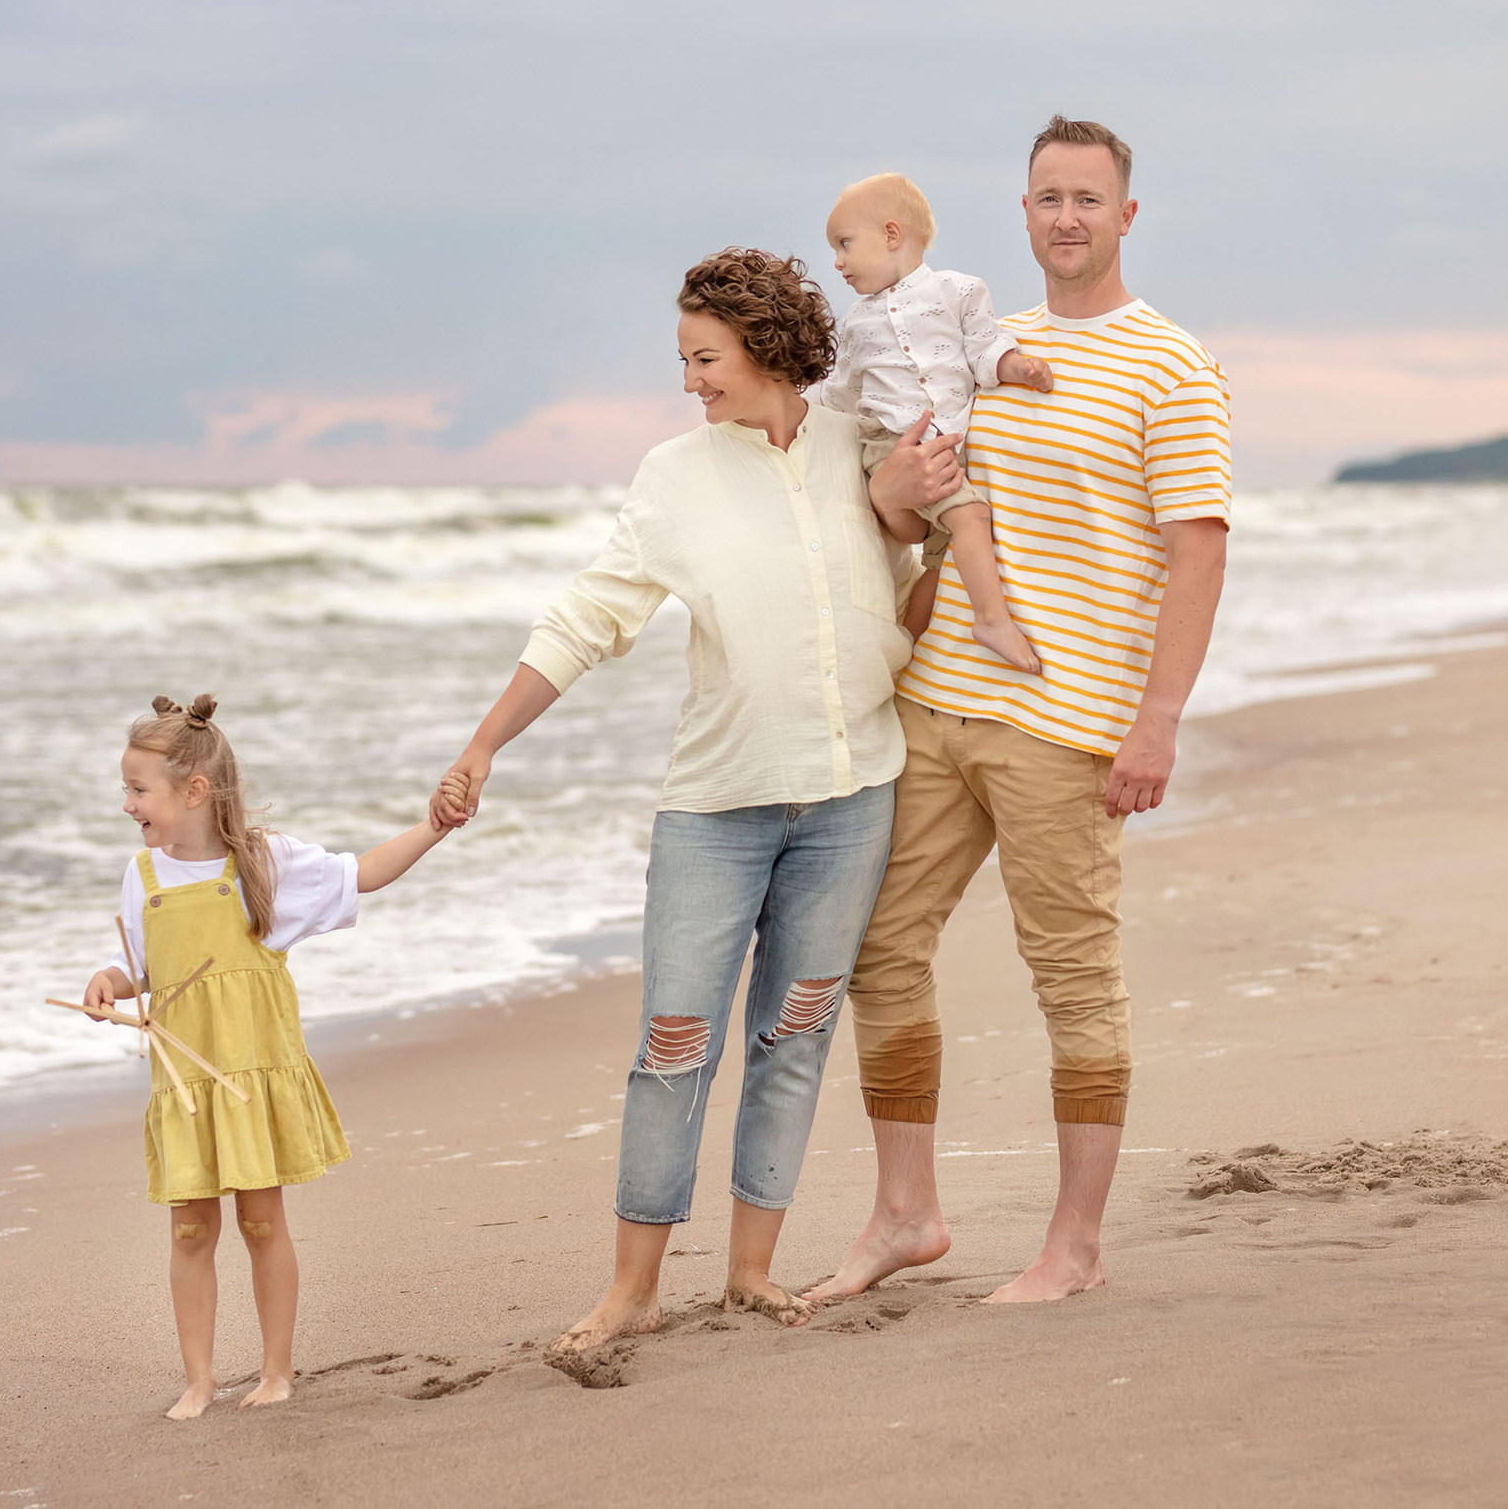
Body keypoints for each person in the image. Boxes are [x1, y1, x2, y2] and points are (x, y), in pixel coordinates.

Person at [431, 247, 920, 1356]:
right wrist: (484, 744)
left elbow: (916, 576)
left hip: (852, 803)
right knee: (674, 1046)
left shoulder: (858, 444)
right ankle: (633, 1290)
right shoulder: (674, 475)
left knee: (794, 1037)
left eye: (705, 358)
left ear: (766, 346)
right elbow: (588, 617)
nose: (689, 380)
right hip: (717, 811)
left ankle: (750, 1272)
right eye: (685, 360)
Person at [809, 115, 1232, 1306]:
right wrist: (888, 490)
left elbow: (1197, 555)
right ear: (1024, 213)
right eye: (1047, 197)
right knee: (878, 946)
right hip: (933, 698)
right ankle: (906, 1215)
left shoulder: (1172, 364)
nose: (1065, 218)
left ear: (1126, 215)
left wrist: (1157, 722)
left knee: (1071, 976)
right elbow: (911, 507)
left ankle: (1073, 1249)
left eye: (1087, 199)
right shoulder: (977, 344)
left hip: (1066, 719)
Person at [78, 693, 454, 1417]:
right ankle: (199, 1380)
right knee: (190, 1230)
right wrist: (109, 982)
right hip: (187, 1086)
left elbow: (362, 873)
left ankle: (277, 1370)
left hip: (249, 1080)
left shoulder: (262, 861)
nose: (127, 805)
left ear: (193, 790)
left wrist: (433, 826)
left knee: (260, 1223)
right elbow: (141, 967)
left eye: (137, 789)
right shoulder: (143, 875)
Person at [814, 171, 1056, 676]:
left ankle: (903, 649)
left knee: (940, 561)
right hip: (891, 443)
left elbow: (985, 349)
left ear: (891, 234)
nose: (837, 261)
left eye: (844, 244)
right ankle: (991, 619)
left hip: (944, 449)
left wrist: (1019, 368)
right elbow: (841, 394)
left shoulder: (959, 291)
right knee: (971, 517)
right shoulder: (857, 322)